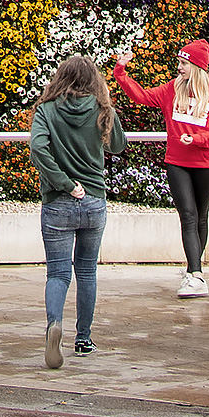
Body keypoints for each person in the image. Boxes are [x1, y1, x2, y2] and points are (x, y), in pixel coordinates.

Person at [113, 38, 209, 297]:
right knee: (188, 215)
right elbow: (142, 96)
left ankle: (193, 271)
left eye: (183, 63)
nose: (179, 67)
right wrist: (120, 72)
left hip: (206, 164)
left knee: (201, 217)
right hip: (177, 162)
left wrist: (198, 139)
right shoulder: (172, 89)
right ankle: (197, 275)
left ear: (197, 67)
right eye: (179, 62)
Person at [28, 53, 127, 368]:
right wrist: (107, 104)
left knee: (58, 273)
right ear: (93, 81)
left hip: (58, 202)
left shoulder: (46, 110)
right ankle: (83, 339)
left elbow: (37, 148)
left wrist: (64, 183)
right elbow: (117, 145)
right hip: (94, 201)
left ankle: (54, 325)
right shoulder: (101, 109)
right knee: (87, 271)